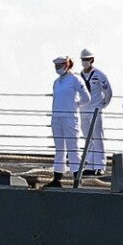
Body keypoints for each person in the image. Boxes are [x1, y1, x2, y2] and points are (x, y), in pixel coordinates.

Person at [49, 56, 83, 187]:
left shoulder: (75, 79)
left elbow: (86, 97)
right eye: (56, 66)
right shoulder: (57, 82)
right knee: (59, 149)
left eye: (60, 65)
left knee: (73, 148)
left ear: (67, 65)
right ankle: (57, 176)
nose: (58, 68)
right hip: (57, 117)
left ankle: (77, 177)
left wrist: (75, 105)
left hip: (70, 117)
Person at [77, 50, 111, 175]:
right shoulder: (79, 76)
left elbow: (108, 92)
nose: (85, 62)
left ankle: (100, 165)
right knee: (87, 138)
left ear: (92, 60)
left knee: (97, 137)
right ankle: (90, 165)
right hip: (83, 110)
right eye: (83, 60)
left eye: (87, 59)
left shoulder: (99, 75)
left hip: (95, 109)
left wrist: (103, 105)